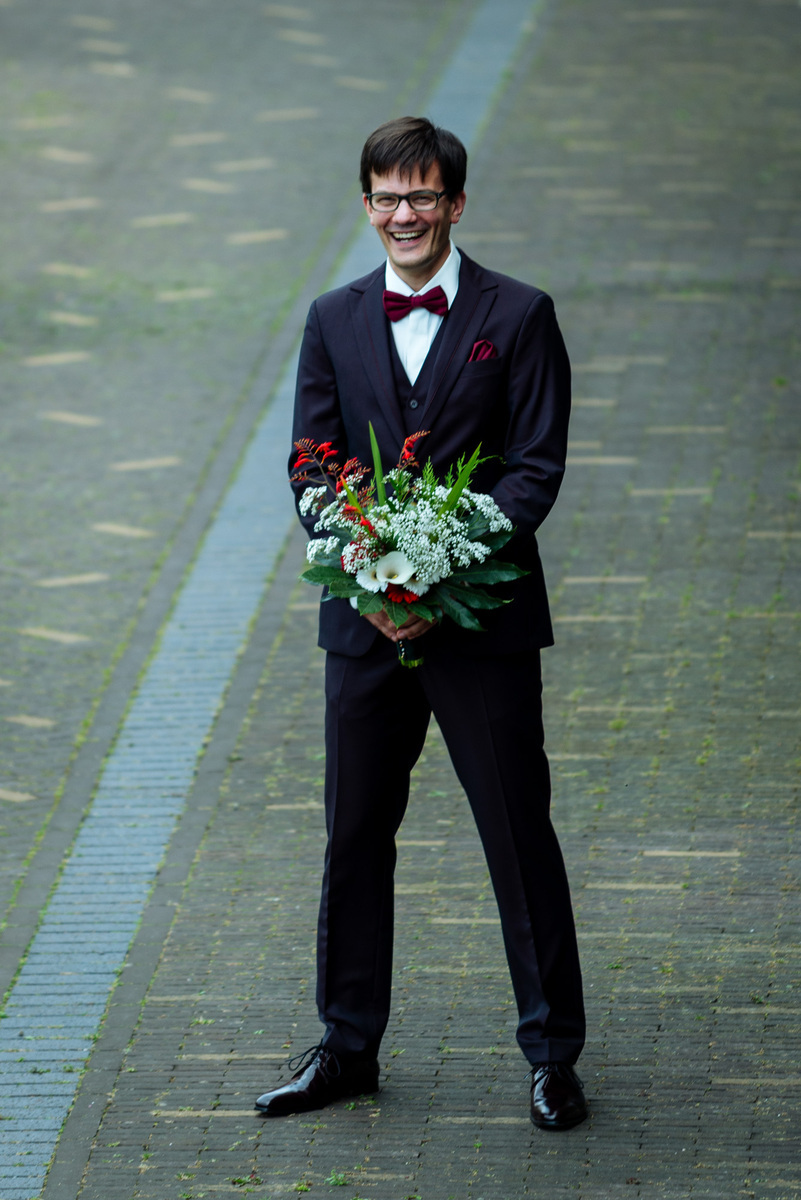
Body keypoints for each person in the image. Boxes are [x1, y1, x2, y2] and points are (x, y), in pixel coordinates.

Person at [256, 116, 587, 1130]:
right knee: (354, 836)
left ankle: (553, 1057)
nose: (406, 214)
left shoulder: (520, 315)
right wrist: (365, 565)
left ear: (455, 203)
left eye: (424, 196)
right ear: (367, 207)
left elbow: (535, 464)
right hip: (362, 630)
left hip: (480, 628)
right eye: (388, 198)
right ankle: (347, 1046)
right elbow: (312, 458)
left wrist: (439, 563)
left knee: (515, 834)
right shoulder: (332, 316)